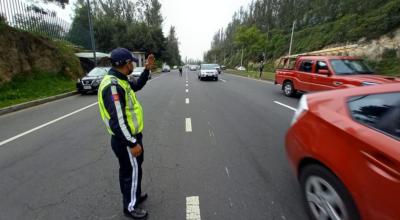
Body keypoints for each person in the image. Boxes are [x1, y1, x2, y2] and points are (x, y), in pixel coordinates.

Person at [98, 48, 155, 219]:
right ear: (124, 64)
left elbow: (136, 86)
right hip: (126, 140)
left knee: (133, 169)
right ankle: (130, 207)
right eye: (131, 62)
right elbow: (118, 121)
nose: (133, 64)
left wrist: (147, 70)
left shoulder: (121, 80)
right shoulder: (113, 86)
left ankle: (134, 197)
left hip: (131, 136)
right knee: (130, 172)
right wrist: (132, 143)